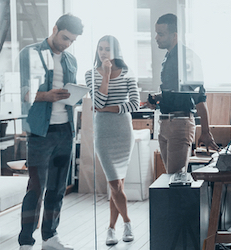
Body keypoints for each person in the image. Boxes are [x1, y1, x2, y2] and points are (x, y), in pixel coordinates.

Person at [17, 14, 83, 250]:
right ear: (55, 29)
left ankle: (50, 237)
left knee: (57, 188)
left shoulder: (71, 60)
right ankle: (26, 241)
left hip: (65, 130)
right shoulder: (30, 54)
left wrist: (74, 96)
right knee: (36, 188)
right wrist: (46, 96)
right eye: (65, 37)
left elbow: (70, 94)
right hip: (40, 133)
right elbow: (21, 92)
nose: (67, 44)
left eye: (71, 41)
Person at [147, 13, 218, 174]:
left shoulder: (188, 59)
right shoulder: (169, 57)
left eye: (161, 34)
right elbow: (175, 93)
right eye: (156, 33)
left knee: (176, 179)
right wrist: (157, 98)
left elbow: (199, 98)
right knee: (171, 178)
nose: (156, 38)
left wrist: (206, 131)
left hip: (179, 124)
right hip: (165, 123)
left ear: (175, 35)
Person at [85, 35, 140, 245]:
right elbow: (97, 100)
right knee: (115, 184)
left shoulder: (127, 73)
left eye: (107, 49)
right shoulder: (90, 74)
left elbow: (135, 104)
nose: (103, 53)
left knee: (116, 187)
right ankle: (127, 222)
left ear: (116, 51)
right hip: (103, 133)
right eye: (100, 49)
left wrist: (108, 109)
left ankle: (110, 229)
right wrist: (106, 75)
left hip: (123, 132)